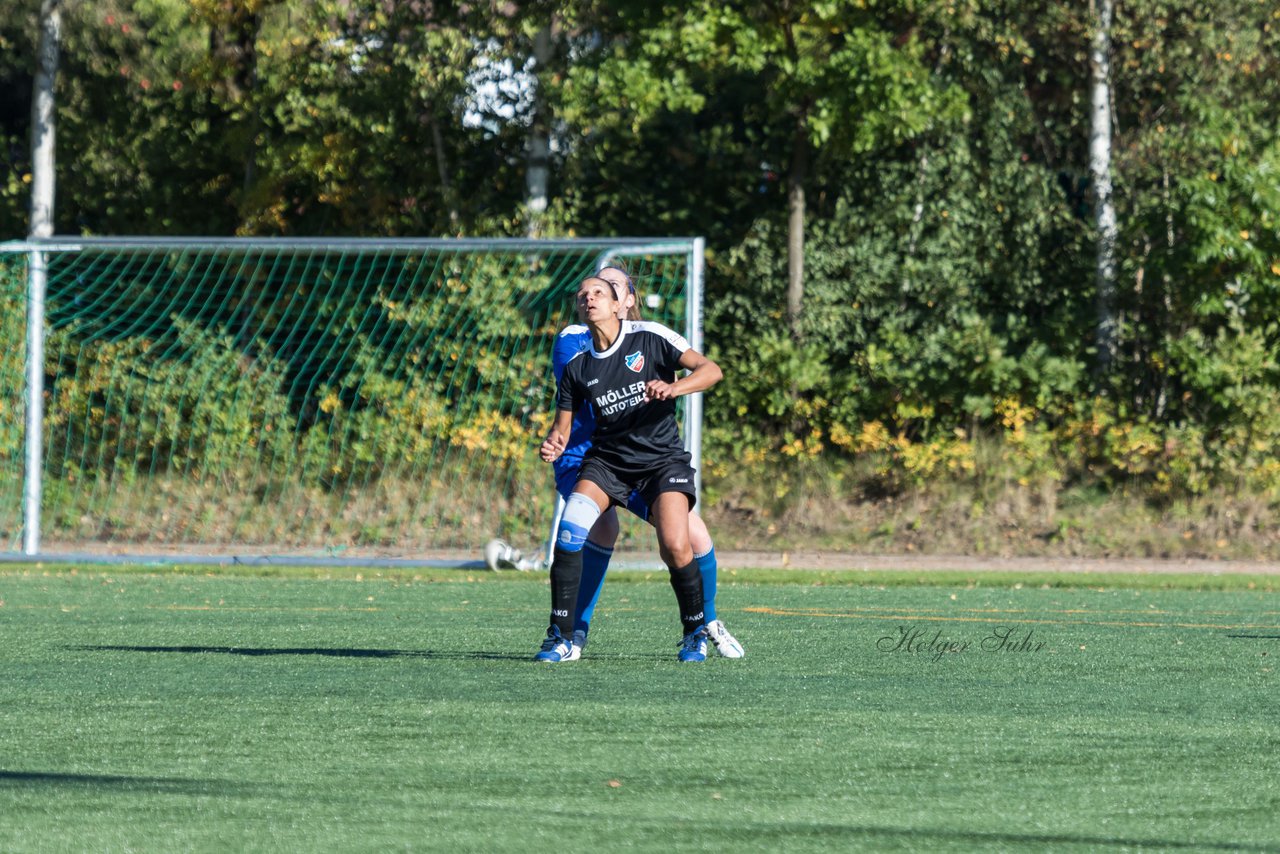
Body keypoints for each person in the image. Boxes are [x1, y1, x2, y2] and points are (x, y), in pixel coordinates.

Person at [489, 265, 744, 658]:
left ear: (625, 302)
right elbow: (567, 419)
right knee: (580, 530)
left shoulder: (652, 337)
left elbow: (710, 369)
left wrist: (673, 387)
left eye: (606, 288)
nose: (591, 296)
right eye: (584, 293)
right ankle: (567, 635)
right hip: (601, 458)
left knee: (683, 541)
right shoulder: (575, 351)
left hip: (657, 462)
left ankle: (702, 624)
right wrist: (554, 442)